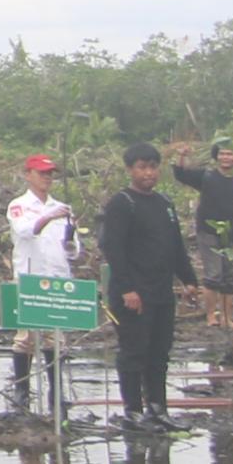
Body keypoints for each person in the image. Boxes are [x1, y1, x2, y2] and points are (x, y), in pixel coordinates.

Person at [96, 144, 194, 432]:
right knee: (133, 351)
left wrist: (189, 281)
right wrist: (127, 289)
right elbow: (112, 247)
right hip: (132, 294)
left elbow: (176, 246)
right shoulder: (122, 203)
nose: (148, 173)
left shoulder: (164, 203)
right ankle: (132, 411)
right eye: (142, 167)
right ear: (130, 170)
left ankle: (157, 408)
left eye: (153, 167)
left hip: (161, 290)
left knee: (159, 351)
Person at [5, 154, 81, 407]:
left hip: (56, 279)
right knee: (25, 337)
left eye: (50, 174)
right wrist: (49, 217)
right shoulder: (19, 205)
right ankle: (22, 390)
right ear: (28, 175)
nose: (47, 178)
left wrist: (71, 241)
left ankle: (56, 392)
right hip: (29, 278)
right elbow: (26, 231)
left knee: (55, 337)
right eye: (41, 173)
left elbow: (73, 250)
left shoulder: (62, 208)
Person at [170, 139, 233, 330]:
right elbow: (181, 174)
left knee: (229, 276)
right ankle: (211, 316)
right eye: (222, 153)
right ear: (217, 156)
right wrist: (183, 155)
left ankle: (227, 317)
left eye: (230, 154)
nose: (225, 157)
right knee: (213, 275)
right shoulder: (207, 177)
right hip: (208, 232)